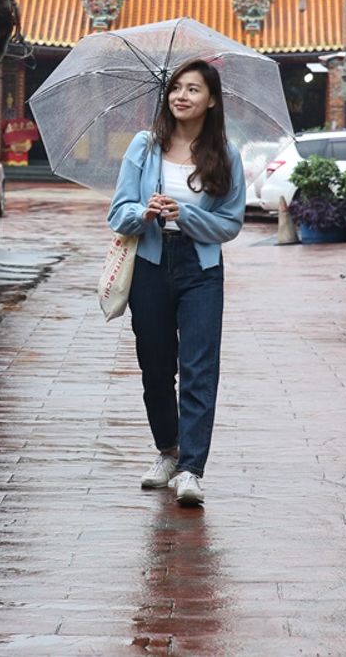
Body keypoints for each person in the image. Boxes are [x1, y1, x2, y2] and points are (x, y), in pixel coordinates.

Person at [107, 59, 245, 507]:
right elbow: (118, 212)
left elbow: (230, 224)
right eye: (176, 88)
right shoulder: (144, 146)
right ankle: (168, 451)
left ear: (212, 100)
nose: (181, 96)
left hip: (200, 269)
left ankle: (191, 469)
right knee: (155, 367)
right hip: (150, 263)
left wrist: (185, 215)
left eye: (193, 89)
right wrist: (144, 213)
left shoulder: (225, 155)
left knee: (199, 367)